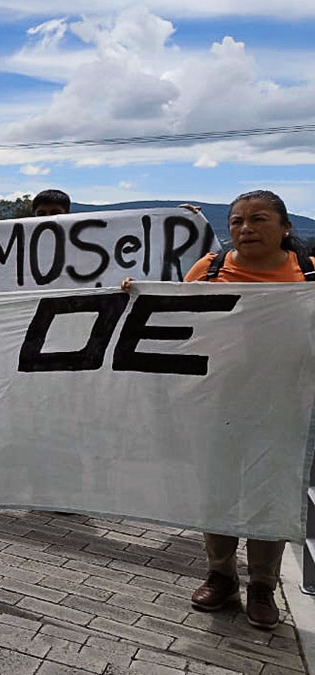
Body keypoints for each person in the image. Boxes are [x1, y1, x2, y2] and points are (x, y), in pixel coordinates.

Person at [123, 190, 313, 630]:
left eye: (258, 219)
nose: (245, 229)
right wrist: (136, 297)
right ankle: (220, 575)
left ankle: (262, 586)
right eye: (237, 222)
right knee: (218, 492)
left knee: (270, 495)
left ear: (285, 228)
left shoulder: (307, 276)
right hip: (216, 406)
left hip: (285, 410)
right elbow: (171, 321)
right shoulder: (208, 270)